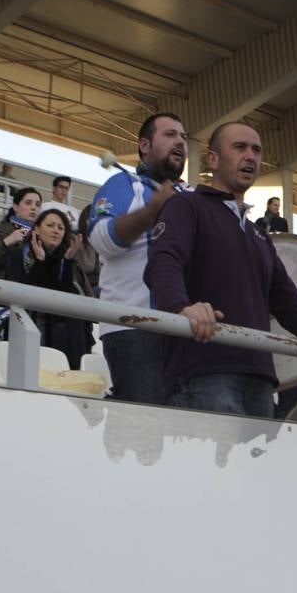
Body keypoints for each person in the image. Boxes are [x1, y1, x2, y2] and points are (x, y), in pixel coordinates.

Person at [144, 122, 297, 416]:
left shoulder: (260, 236)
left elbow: (293, 309)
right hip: (203, 372)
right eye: (239, 147)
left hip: (260, 380)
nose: (250, 156)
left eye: (256, 150)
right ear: (212, 159)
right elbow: (162, 263)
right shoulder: (186, 206)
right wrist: (181, 307)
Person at [86, 112, 188, 404]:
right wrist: (152, 210)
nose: (180, 141)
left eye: (183, 136)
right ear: (144, 145)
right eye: (170, 135)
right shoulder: (121, 185)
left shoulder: (190, 196)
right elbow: (103, 240)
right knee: (146, 435)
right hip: (133, 327)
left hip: (187, 331)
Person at [3, 209, 94, 368]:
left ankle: (74, 374)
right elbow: (23, 293)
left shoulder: (64, 259)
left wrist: (66, 261)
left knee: (70, 322)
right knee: (62, 327)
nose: (55, 230)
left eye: (61, 228)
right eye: (50, 225)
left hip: (55, 323)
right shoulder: (19, 255)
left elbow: (62, 297)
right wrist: (40, 263)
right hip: (25, 319)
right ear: (36, 229)